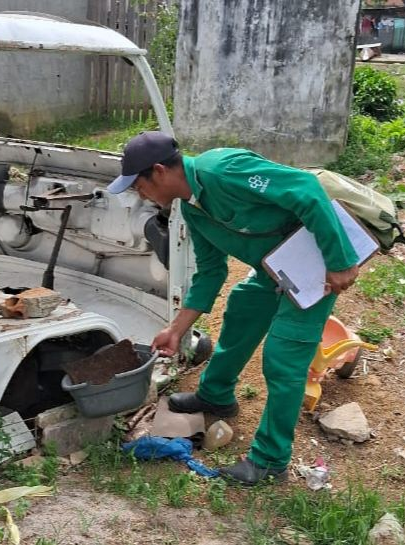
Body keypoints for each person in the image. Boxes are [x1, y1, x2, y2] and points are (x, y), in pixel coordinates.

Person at [107, 132, 359, 486]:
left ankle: (271, 461)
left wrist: (339, 259)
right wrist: (177, 330)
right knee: (242, 307)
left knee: (283, 356)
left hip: (315, 264)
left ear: (160, 172)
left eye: (138, 186)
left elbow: (305, 189)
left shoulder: (223, 170)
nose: (139, 195)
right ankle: (216, 396)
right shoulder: (192, 210)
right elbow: (211, 272)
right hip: (277, 268)